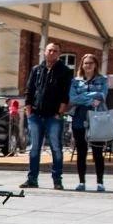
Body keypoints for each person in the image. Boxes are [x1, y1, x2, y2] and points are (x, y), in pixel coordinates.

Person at [22, 43, 73, 190]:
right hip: (36, 115)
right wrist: (28, 110)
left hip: (54, 116)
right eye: (49, 50)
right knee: (34, 148)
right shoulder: (37, 70)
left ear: (59, 54)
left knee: (56, 148)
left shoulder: (65, 71)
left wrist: (60, 113)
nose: (52, 53)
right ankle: (32, 179)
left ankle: (57, 180)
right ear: (45, 52)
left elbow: (66, 94)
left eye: (55, 51)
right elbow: (29, 90)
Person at [68, 54, 109, 192]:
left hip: (97, 116)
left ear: (96, 64)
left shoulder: (102, 80)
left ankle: (100, 182)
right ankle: (81, 182)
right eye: (86, 63)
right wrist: (91, 99)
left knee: (98, 151)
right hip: (79, 116)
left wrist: (83, 97)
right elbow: (73, 98)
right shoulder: (75, 81)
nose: (88, 65)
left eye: (91, 63)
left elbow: (102, 95)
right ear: (82, 65)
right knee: (81, 151)